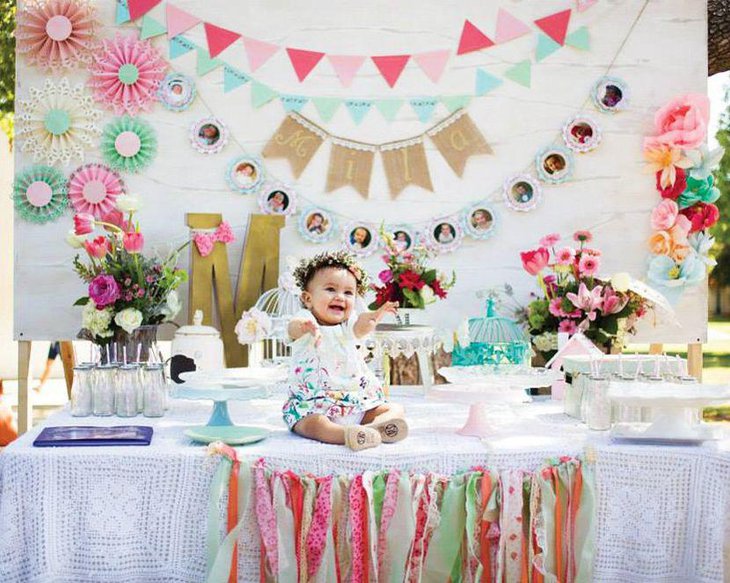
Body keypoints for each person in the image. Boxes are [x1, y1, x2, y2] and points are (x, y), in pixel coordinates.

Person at [283, 251, 407, 451]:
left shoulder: (349, 324)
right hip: (316, 404)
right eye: (331, 289)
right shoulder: (305, 318)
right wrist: (305, 327)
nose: (340, 297)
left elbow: (361, 326)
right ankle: (346, 435)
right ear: (307, 299)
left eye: (349, 293)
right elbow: (293, 328)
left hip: (356, 401)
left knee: (395, 409)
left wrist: (373, 317)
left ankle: (373, 429)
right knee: (314, 424)